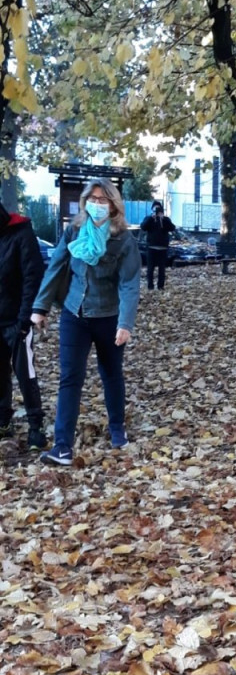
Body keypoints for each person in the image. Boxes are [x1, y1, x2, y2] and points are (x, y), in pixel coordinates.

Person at [30, 180, 141, 466]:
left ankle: (117, 428)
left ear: (114, 204)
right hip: (73, 314)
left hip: (109, 317)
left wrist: (125, 323)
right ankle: (62, 447)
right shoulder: (74, 230)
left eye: (103, 199)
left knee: (111, 374)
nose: (97, 203)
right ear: (84, 201)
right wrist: (40, 307)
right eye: (92, 198)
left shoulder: (123, 240)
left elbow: (129, 284)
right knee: (70, 378)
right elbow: (55, 267)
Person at [0, 202, 48, 449]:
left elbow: (33, 275)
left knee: (25, 373)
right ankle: (3, 421)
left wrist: (24, 320)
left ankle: (35, 426)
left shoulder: (21, 231)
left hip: (16, 320)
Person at [140, 200, 176, 290]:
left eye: (158, 209)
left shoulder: (165, 219)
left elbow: (172, 228)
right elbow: (143, 227)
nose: (156, 211)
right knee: (150, 268)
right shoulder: (149, 218)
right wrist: (151, 218)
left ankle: (160, 286)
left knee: (162, 269)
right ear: (152, 209)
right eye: (155, 209)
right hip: (151, 247)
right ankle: (150, 286)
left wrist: (163, 219)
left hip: (163, 248)